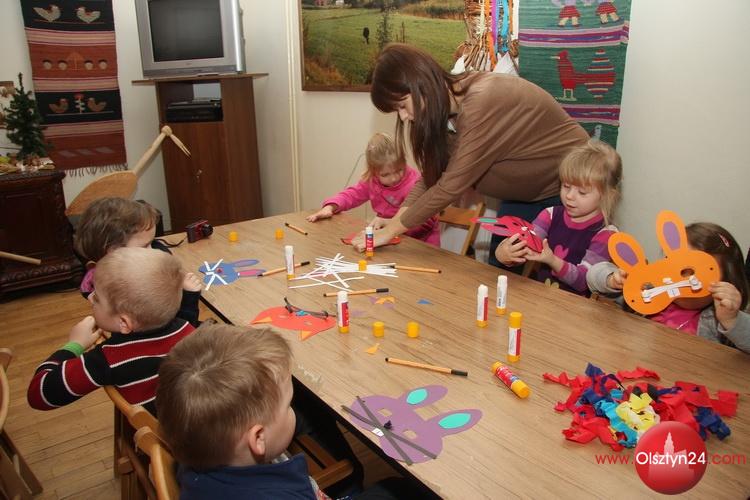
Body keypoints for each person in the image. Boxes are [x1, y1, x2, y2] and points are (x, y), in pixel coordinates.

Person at [353, 43, 589, 258]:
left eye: (402, 105)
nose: (404, 117)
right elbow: (431, 176)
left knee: (563, 276)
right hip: (525, 195)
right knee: (502, 271)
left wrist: (392, 231)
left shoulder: (481, 101)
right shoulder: (446, 109)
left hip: (571, 189)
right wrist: (396, 220)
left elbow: (450, 185)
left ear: (421, 84)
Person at [27, 247, 202, 414]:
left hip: (157, 429)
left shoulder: (109, 359)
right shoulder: (189, 330)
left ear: (123, 322)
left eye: (97, 298)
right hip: (188, 421)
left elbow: (38, 394)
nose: (90, 298)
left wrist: (75, 344)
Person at [587, 222, 750, 353]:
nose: (680, 279)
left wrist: (731, 320)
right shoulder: (650, 291)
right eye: (673, 263)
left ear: (726, 283)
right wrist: (612, 280)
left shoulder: (718, 318)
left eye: (693, 272)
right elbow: (593, 276)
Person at [495, 139, 621, 295]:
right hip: (540, 298)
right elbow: (526, 245)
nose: (569, 196)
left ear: (607, 196)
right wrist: (505, 253)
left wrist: (552, 260)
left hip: (575, 306)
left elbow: (585, 281)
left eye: (582, 192)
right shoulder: (550, 215)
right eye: (566, 186)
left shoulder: (606, 234)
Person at [307, 132, 440, 246]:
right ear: (374, 172)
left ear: (404, 162)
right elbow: (352, 195)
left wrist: (389, 223)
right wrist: (330, 207)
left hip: (421, 245)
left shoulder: (415, 184)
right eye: (385, 175)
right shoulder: (372, 181)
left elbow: (425, 221)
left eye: (399, 170)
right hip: (389, 241)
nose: (394, 178)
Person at [74, 197, 161, 298]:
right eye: (145, 246)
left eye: (151, 243)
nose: (153, 251)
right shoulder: (114, 289)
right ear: (113, 251)